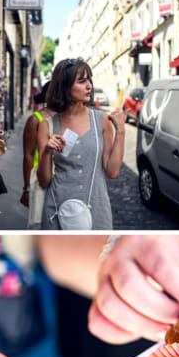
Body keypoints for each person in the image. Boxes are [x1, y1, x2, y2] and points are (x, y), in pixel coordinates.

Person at [38, 58, 126, 230]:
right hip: (57, 209)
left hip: (95, 208)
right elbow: (44, 181)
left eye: (89, 80)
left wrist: (121, 131)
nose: (89, 86)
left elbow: (112, 171)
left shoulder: (102, 120)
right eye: (81, 81)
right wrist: (47, 151)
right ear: (64, 86)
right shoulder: (46, 125)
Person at [21, 82, 55, 229]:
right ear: (46, 95)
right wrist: (27, 188)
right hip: (39, 178)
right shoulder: (35, 119)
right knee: (39, 223)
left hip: (60, 178)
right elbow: (28, 155)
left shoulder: (66, 117)